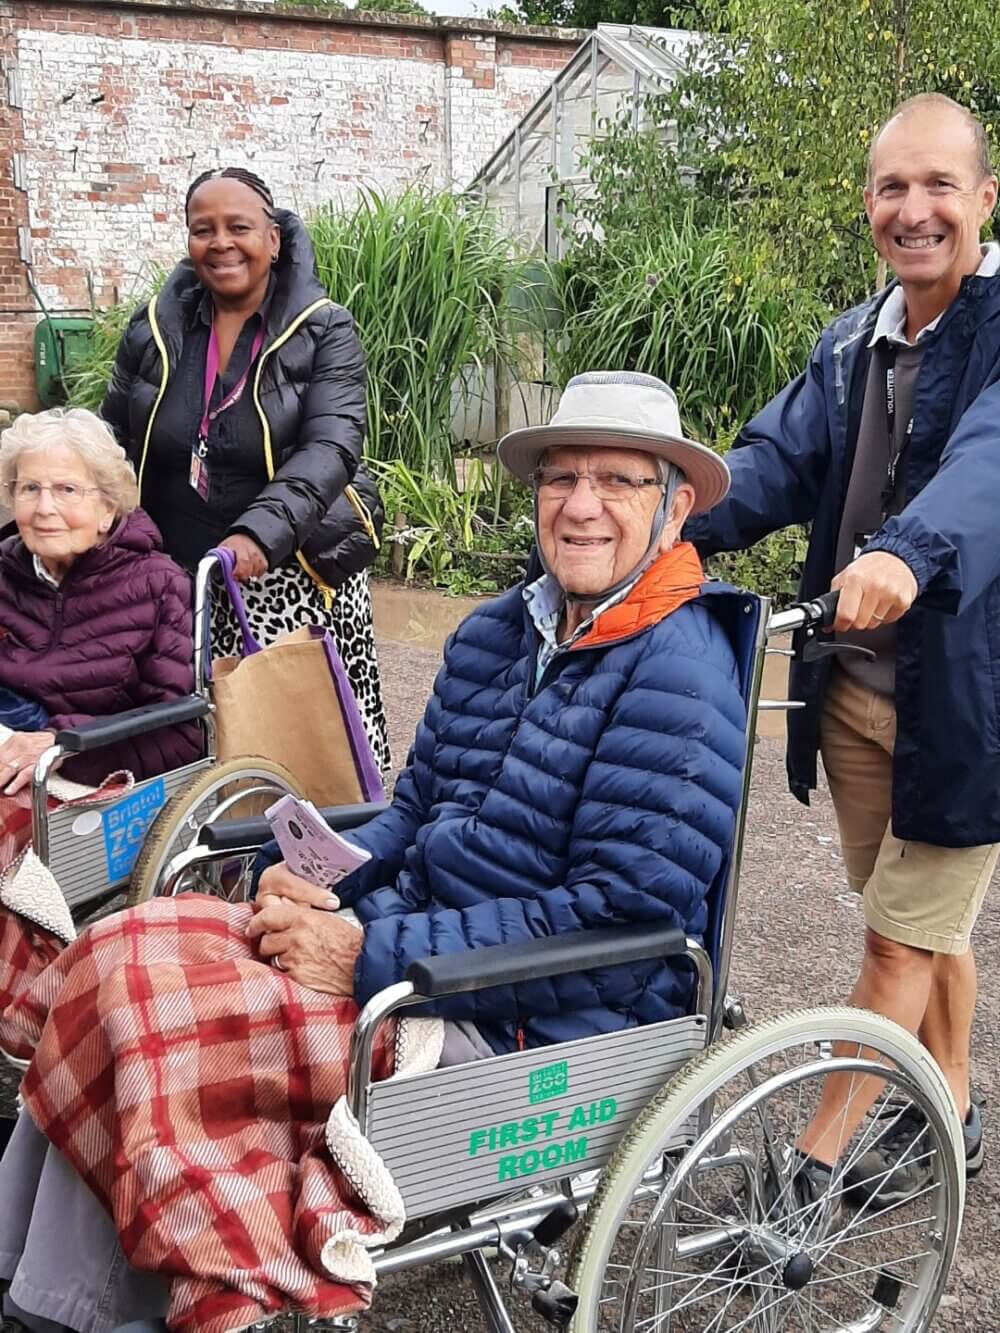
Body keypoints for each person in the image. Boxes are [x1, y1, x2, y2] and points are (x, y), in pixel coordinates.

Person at [0, 371, 748, 1333]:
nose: (581, 505)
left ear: (674, 507)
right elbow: (414, 810)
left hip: (532, 1007)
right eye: (561, 477)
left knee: (163, 1016)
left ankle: (121, 1307)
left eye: (617, 481)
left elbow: (621, 920)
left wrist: (368, 954)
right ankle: (38, 1289)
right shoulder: (498, 632)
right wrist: (308, 875)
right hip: (409, 945)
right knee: (115, 951)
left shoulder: (682, 671)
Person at [686, 92, 999, 1203]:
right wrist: (659, 517)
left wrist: (908, 551)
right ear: (867, 202)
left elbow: (988, 462)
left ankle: (805, 1184)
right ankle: (950, 1105)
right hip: (858, 691)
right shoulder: (850, 343)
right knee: (916, 926)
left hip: (967, 706)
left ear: (985, 198)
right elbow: (774, 462)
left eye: (939, 185)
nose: (914, 209)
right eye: (892, 187)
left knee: (894, 947)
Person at [100, 167, 390, 773]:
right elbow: (114, 438)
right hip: (177, 575)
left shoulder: (323, 328)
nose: (221, 243)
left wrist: (258, 534)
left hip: (288, 569)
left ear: (274, 238)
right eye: (203, 229)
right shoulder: (153, 327)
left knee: (302, 755)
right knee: (190, 748)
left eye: (239, 227)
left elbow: (332, 444)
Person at [0, 406, 200, 789]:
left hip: (93, 789)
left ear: (107, 508)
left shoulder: (160, 586)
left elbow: (179, 736)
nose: (44, 508)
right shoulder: (5, 573)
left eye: (67, 490)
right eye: (30, 488)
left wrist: (62, 747)